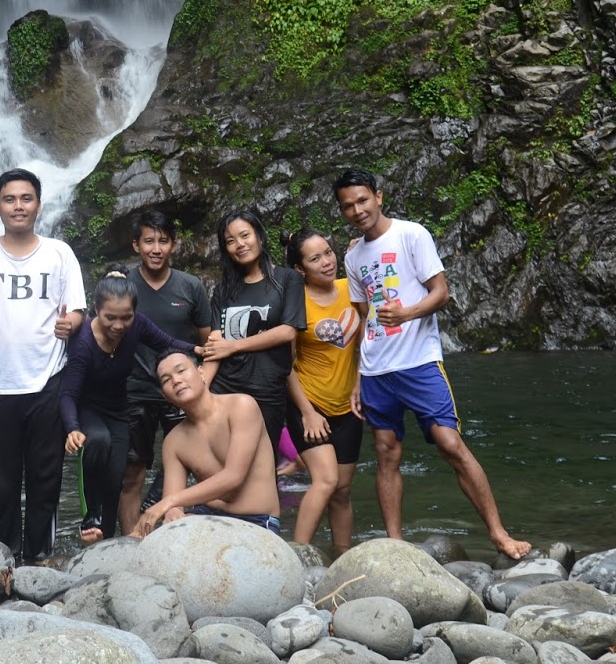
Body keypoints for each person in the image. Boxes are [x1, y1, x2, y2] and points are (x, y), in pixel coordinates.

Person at [335, 167, 531, 559]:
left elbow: (441, 294)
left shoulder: (411, 234)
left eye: (362, 200)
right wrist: (358, 374)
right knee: (386, 451)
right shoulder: (353, 254)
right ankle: (396, 544)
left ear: (379, 196)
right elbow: (362, 313)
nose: (357, 210)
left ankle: (498, 533)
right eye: (348, 206)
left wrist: (407, 314)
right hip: (376, 368)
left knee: (450, 443)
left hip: (419, 361)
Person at [0, 167, 86, 563]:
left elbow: (77, 309)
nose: (18, 206)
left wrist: (72, 323)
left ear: (39, 205)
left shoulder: (59, 253)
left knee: (45, 478)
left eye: (26, 198)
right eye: (10, 199)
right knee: (3, 482)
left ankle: (39, 557)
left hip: (47, 380)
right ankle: (0, 558)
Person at [61, 270, 198, 543]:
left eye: (126, 317)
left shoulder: (138, 326)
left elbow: (167, 344)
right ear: (96, 309)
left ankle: (108, 540)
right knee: (97, 441)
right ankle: (90, 518)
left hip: (118, 409)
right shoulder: (83, 343)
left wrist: (199, 350)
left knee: (116, 478)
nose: (119, 325)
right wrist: (72, 428)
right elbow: (68, 394)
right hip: (87, 408)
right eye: (110, 317)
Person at [120, 210, 213, 523]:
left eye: (163, 241)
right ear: (136, 245)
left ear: (174, 245)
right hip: (134, 390)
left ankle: (165, 526)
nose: (155, 249)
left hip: (181, 392)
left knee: (186, 463)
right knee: (133, 470)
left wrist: (204, 382)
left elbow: (207, 343)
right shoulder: (123, 286)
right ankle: (130, 540)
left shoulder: (191, 286)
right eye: (148, 241)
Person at [133, 350, 282, 536]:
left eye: (181, 371)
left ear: (202, 373)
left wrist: (168, 503)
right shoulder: (174, 441)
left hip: (256, 520)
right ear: (165, 396)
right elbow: (173, 505)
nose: (176, 380)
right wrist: (173, 511)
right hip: (205, 517)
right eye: (166, 380)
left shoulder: (241, 406)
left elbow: (234, 477)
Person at [284, 227, 364, 551]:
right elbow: (285, 364)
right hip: (309, 405)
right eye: (315, 258)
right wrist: (307, 412)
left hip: (349, 405)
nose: (326, 262)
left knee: (343, 490)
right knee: (327, 480)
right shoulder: (296, 302)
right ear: (300, 269)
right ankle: (298, 557)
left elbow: (368, 342)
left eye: (328, 253)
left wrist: (360, 382)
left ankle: (341, 559)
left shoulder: (352, 289)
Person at [203, 208, 306, 455]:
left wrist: (234, 345)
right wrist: (200, 386)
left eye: (244, 235)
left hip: (266, 391)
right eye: (230, 241)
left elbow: (288, 332)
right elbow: (216, 343)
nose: (239, 244)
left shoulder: (287, 279)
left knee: (261, 467)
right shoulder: (223, 290)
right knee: (221, 464)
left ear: (259, 235)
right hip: (224, 390)